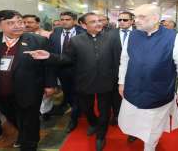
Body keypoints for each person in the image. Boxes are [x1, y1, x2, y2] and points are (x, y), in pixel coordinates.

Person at [26, 12, 121, 151]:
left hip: (106, 83)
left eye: (99, 21)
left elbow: (117, 60)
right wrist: (49, 56)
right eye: (93, 21)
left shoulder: (112, 38)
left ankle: (101, 135)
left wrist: (117, 80)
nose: (98, 23)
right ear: (83, 25)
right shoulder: (76, 40)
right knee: (87, 109)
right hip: (84, 82)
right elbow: (66, 59)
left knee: (105, 111)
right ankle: (94, 123)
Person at [0, 10, 56, 151]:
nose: (17, 25)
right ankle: (24, 134)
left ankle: (30, 144)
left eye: (20, 22)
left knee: (30, 121)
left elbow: (48, 65)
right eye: (10, 23)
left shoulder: (38, 40)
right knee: (13, 118)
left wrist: (50, 84)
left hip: (29, 90)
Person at [117, 4, 178, 151]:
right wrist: (121, 82)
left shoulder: (173, 37)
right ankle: (137, 134)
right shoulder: (132, 35)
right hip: (133, 88)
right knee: (133, 119)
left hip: (158, 91)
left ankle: (150, 147)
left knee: (153, 126)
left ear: (156, 18)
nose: (135, 21)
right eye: (135, 17)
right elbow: (124, 60)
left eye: (141, 17)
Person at [49, 11, 84, 132]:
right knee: (68, 94)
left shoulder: (83, 33)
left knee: (77, 95)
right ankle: (76, 108)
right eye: (62, 19)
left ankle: (74, 118)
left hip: (79, 70)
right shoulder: (55, 33)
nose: (64, 21)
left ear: (74, 21)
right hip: (62, 70)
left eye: (67, 19)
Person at [110, 11, 134, 125]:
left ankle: (132, 118)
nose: (122, 22)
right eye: (119, 20)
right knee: (116, 95)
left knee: (132, 95)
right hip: (114, 71)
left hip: (134, 71)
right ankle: (116, 115)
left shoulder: (140, 34)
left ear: (132, 21)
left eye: (125, 20)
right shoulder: (110, 34)